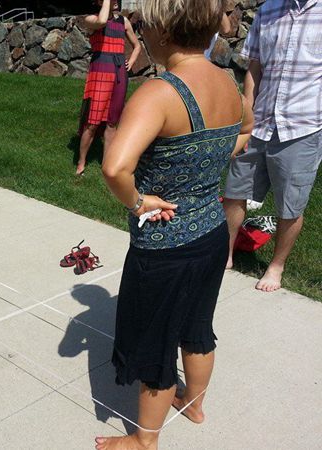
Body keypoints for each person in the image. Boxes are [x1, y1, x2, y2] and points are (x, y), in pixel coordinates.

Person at [96, 0, 253, 448]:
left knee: (156, 343)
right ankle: (195, 406)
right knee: (197, 328)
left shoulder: (160, 92)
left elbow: (115, 168)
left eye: (144, 25)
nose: (141, 32)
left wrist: (139, 202)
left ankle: (144, 441)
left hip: (164, 248)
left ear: (164, 31)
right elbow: (246, 129)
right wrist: (211, 160)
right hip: (211, 234)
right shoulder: (226, 81)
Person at [224, 0, 322, 293]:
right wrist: (247, 113)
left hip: (303, 127)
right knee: (234, 191)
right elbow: (254, 67)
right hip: (259, 122)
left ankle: (276, 266)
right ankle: (225, 254)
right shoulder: (268, 10)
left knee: (290, 203)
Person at [76, 0, 142, 176]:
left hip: (119, 72)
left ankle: (107, 163)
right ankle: (81, 162)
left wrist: (131, 62)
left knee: (113, 122)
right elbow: (102, 21)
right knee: (92, 122)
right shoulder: (90, 19)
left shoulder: (123, 21)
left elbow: (137, 46)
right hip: (100, 71)